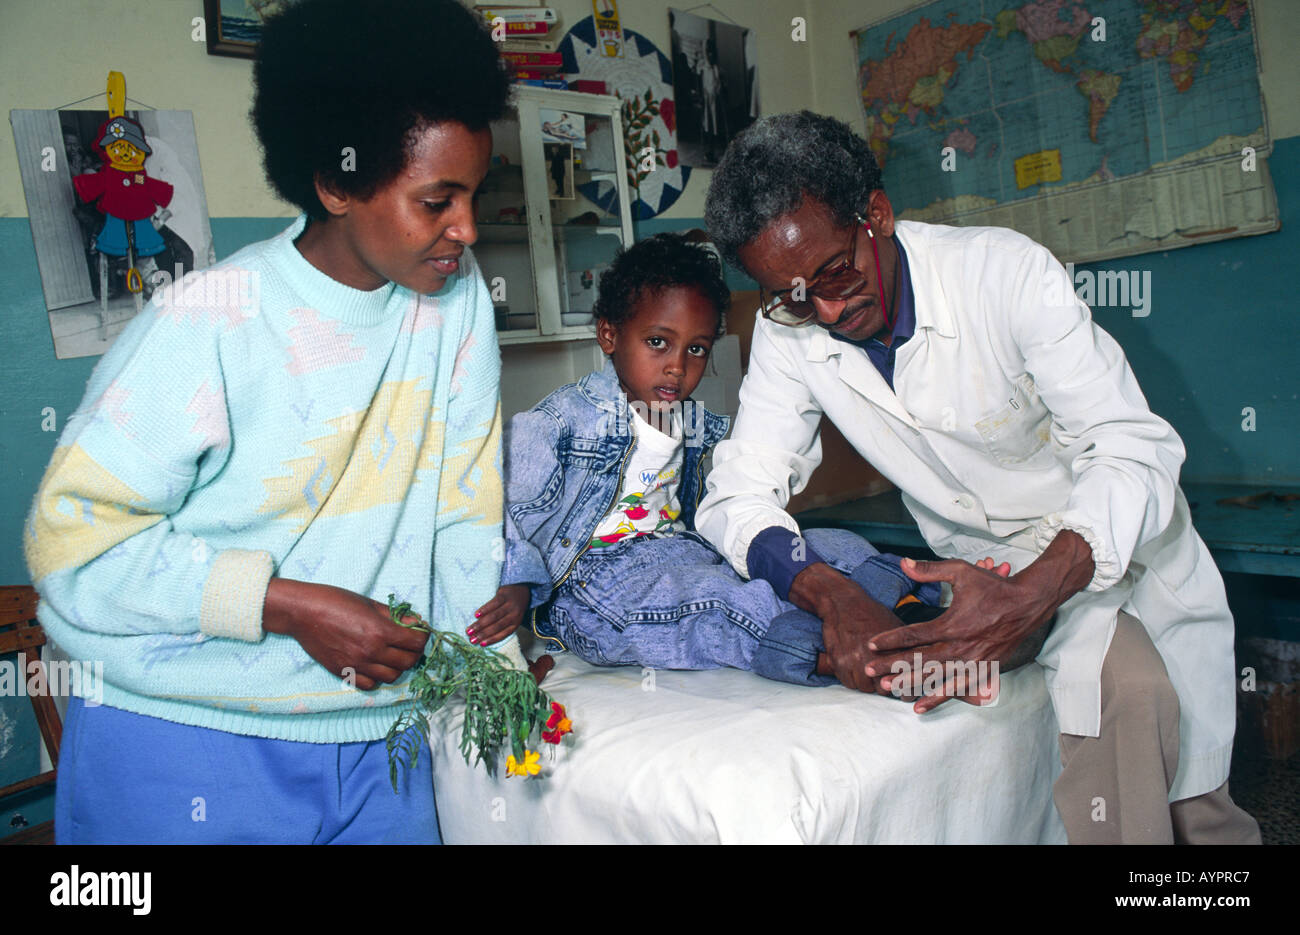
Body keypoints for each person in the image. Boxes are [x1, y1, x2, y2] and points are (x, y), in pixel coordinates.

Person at [23, 0, 514, 844]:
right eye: (437, 199)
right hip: (179, 740)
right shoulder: (209, 322)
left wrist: (491, 671)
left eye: (474, 194)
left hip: (376, 746)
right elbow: (72, 551)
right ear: (335, 183)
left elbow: (463, 513)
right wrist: (285, 605)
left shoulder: (457, 305)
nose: (465, 230)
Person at [698, 110, 1261, 844]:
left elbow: (1131, 448)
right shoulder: (789, 332)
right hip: (987, 563)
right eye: (796, 295)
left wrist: (1031, 595)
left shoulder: (1004, 273)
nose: (827, 310)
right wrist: (829, 591)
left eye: (835, 272)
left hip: (1112, 530)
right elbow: (736, 494)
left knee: (1195, 803)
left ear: (876, 214)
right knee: (1127, 698)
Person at [470, 233, 954, 687]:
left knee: (828, 544)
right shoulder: (561, 421)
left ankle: (910, 611)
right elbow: (501, 506)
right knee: (713, 603)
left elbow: (724, 509)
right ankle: (840, 655)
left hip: (685, 551)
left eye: (696, 349)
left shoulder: (693, 422)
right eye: (658, 342)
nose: (678, 366)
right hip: (596, 585)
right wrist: (514, 582)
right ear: (609, 334)